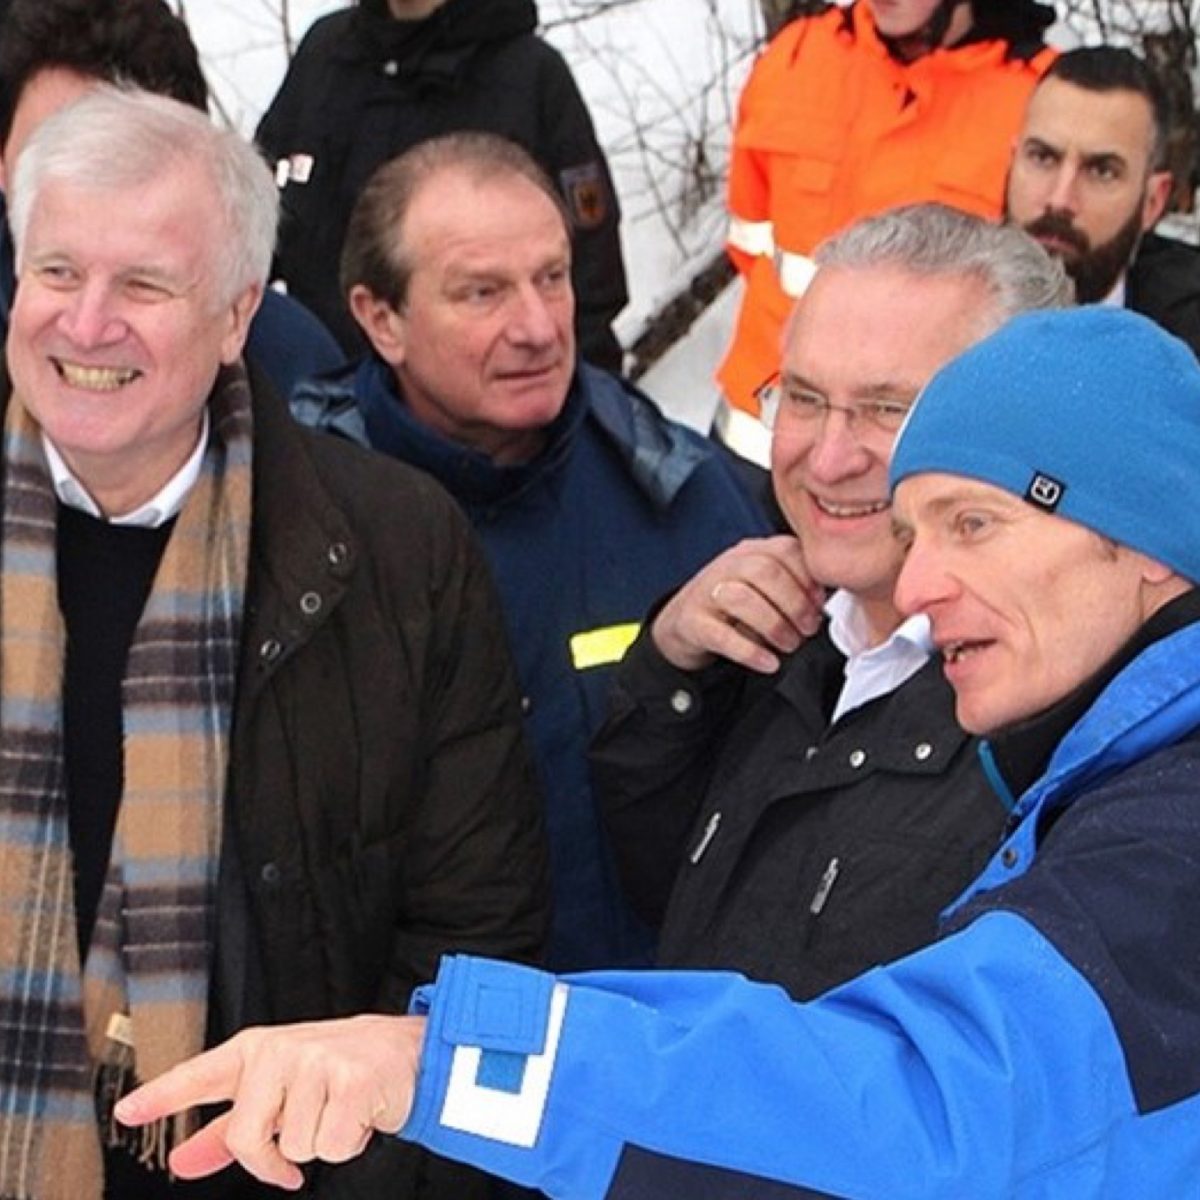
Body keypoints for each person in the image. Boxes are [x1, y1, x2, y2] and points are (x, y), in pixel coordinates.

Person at [120, 303, 1200, 1199]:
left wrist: (437, 1057)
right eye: (915, 535)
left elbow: (919, 1101)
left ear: (1143, 541)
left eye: (973, 524)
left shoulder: (1172, 835)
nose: (915, 587)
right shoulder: (1106, 786)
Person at [0, 85, 546, 1200]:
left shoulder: (395, 552)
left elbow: (471, 946)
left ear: (238, 313)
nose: (87, 322)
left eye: (145, 283)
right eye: (57, 271)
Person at [291, 132, 770, 972]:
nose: (540, 327)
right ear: (380, 318)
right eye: (482, 293)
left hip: (632, 1041)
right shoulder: (294, 524)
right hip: (387, 1059)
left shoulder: (684, 498)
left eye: (552, 277)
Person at [591, 204, 1069, 1000]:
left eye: (890, 409)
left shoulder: (1055, 714)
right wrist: (671, 673)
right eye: (805, 399)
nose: (829, 456)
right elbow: (663, 897)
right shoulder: (770, 638)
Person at [716, 0, 1055, 461]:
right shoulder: (798, 55)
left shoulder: (1040, 97)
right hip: (753, 438)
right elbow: (748, 234)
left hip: (913, 467)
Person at [0, 0, 345, 399]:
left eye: (127, 162)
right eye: (54, 161)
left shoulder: (288, 357)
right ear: (4, 165)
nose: (87, 328)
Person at [255, 0, 627, 368]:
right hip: (318, 400)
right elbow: (250, 223)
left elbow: (592, 273)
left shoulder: (528, 77)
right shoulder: (326, 56)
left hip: (484, 408)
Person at [1004, 44, 1200, 354]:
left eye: (1102, 172)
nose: (1060, 199)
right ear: (1012, 162)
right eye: (1043, 158)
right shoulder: (935, 317)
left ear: (1153, 202)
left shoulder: (1186, 352)